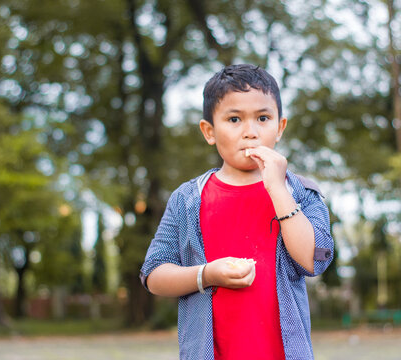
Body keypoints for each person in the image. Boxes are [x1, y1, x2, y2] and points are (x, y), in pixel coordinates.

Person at [140, 64, 334, 360]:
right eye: (234, 119)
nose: (251, 132)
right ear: (209, 131)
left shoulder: (301, 193)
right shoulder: (187, 199)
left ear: (280, 127)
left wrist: (278, 190)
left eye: (263, 118)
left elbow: (314, 260)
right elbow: (154, 274)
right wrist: (207, 274)